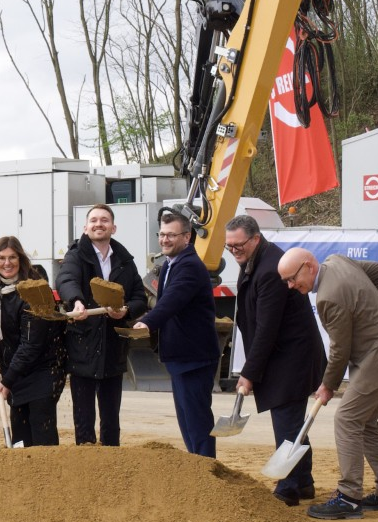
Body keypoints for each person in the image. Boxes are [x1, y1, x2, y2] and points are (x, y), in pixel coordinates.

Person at [279, 248, 378, 520]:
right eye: (286, 281)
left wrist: (327, 385)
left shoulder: (328, 298)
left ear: (308, 266)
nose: (291, 286)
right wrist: (377, 311)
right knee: (365, 421)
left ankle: (349, 497)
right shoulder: (337, 261)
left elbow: (339, 350)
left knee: (347, 419)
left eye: (293, 278)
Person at [225, 215, 325, 505]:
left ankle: (289, 488)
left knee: (287, 424)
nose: (234, 251)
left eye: (239, 245)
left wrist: (249, 373)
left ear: (255, 238)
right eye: (229, 247)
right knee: (291, 423)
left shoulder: (270, 269)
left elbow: (267, 329)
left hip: (292, 358)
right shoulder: (256, 260)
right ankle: (304, 482)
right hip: (283, 357)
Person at [55, 204, 147, 446]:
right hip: (82, 346)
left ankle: (111, 460)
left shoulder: (125, 262)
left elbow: (139, 296)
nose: (99, 224)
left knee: (111, 419)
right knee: (84, 418)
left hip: (113, 349)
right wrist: (76, 301)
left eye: (104, 220)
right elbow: (66, 279)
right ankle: (87, 465)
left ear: (113, 228)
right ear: (85, 228)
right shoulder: (75, 256)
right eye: (93, 220)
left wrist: (127, 311)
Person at [131, 211, 221, 457]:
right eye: (162, 234)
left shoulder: (190, 266)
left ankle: (205, 471)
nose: (164, 240)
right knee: (188, 422)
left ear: (187, 237)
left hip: (194, 359)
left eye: (171, 235)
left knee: (197, 422)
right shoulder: (171, 264)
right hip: (181, 358)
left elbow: (172, 301)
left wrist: (147, 323)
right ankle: (198, 468)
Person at [0, 237, 63, 447]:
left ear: (21, 259)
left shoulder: (33, 291)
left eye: (12, 257)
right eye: (1, 258)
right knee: (20, 439)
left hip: (41, 373)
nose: (6, 263)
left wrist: (6, 381)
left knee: (42, 438)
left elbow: (31, 345)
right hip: (16, 375)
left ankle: (48, 478)